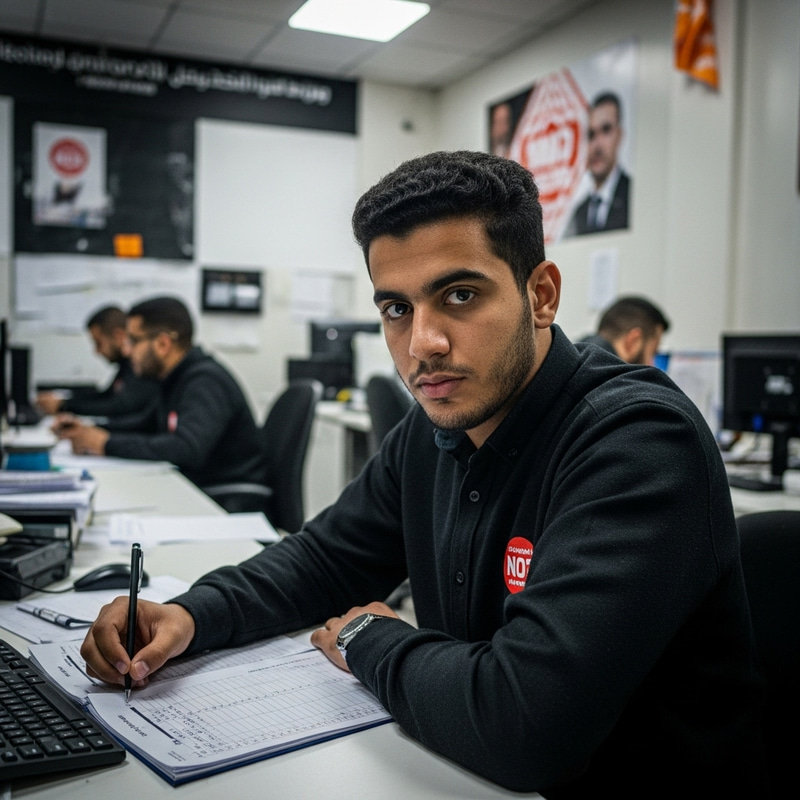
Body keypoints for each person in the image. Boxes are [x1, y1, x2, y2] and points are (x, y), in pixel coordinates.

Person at [80, 152, 766, 798]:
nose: (422, 344)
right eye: (396, 308)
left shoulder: (637, 439)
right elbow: (324, 559)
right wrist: (191, 614)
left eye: (460, 295)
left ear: (542, 294)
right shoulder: (437, 426)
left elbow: (525, 722)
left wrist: (368, 638)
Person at [53, 296, 266, 492]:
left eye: (134, 341)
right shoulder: (175, 378)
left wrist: (105, 443)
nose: (127, 351)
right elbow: (146, 424)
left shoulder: (205, 381)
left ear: (163, 344)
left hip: (228, 498)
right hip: (198, 489)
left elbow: (187, 449)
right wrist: (90, 432)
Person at [36, 305, 159, 429]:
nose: (96, 351)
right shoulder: (126, 366)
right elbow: (108, 396)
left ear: (119, 335)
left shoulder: (142, 366)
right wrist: (64, 403)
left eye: (99, 343)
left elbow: (120, 406)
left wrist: (65, 406)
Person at [565, 91, 631, 235]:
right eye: (591, 135)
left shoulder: (632, 196)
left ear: (619, 135)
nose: (597, 145)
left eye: (606, 130)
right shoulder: (579, 212)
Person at [580, 295, 670, 365]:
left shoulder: (575, 358)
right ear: (633, 341)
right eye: (652, 354)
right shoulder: (611, 382)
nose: (652, 364)